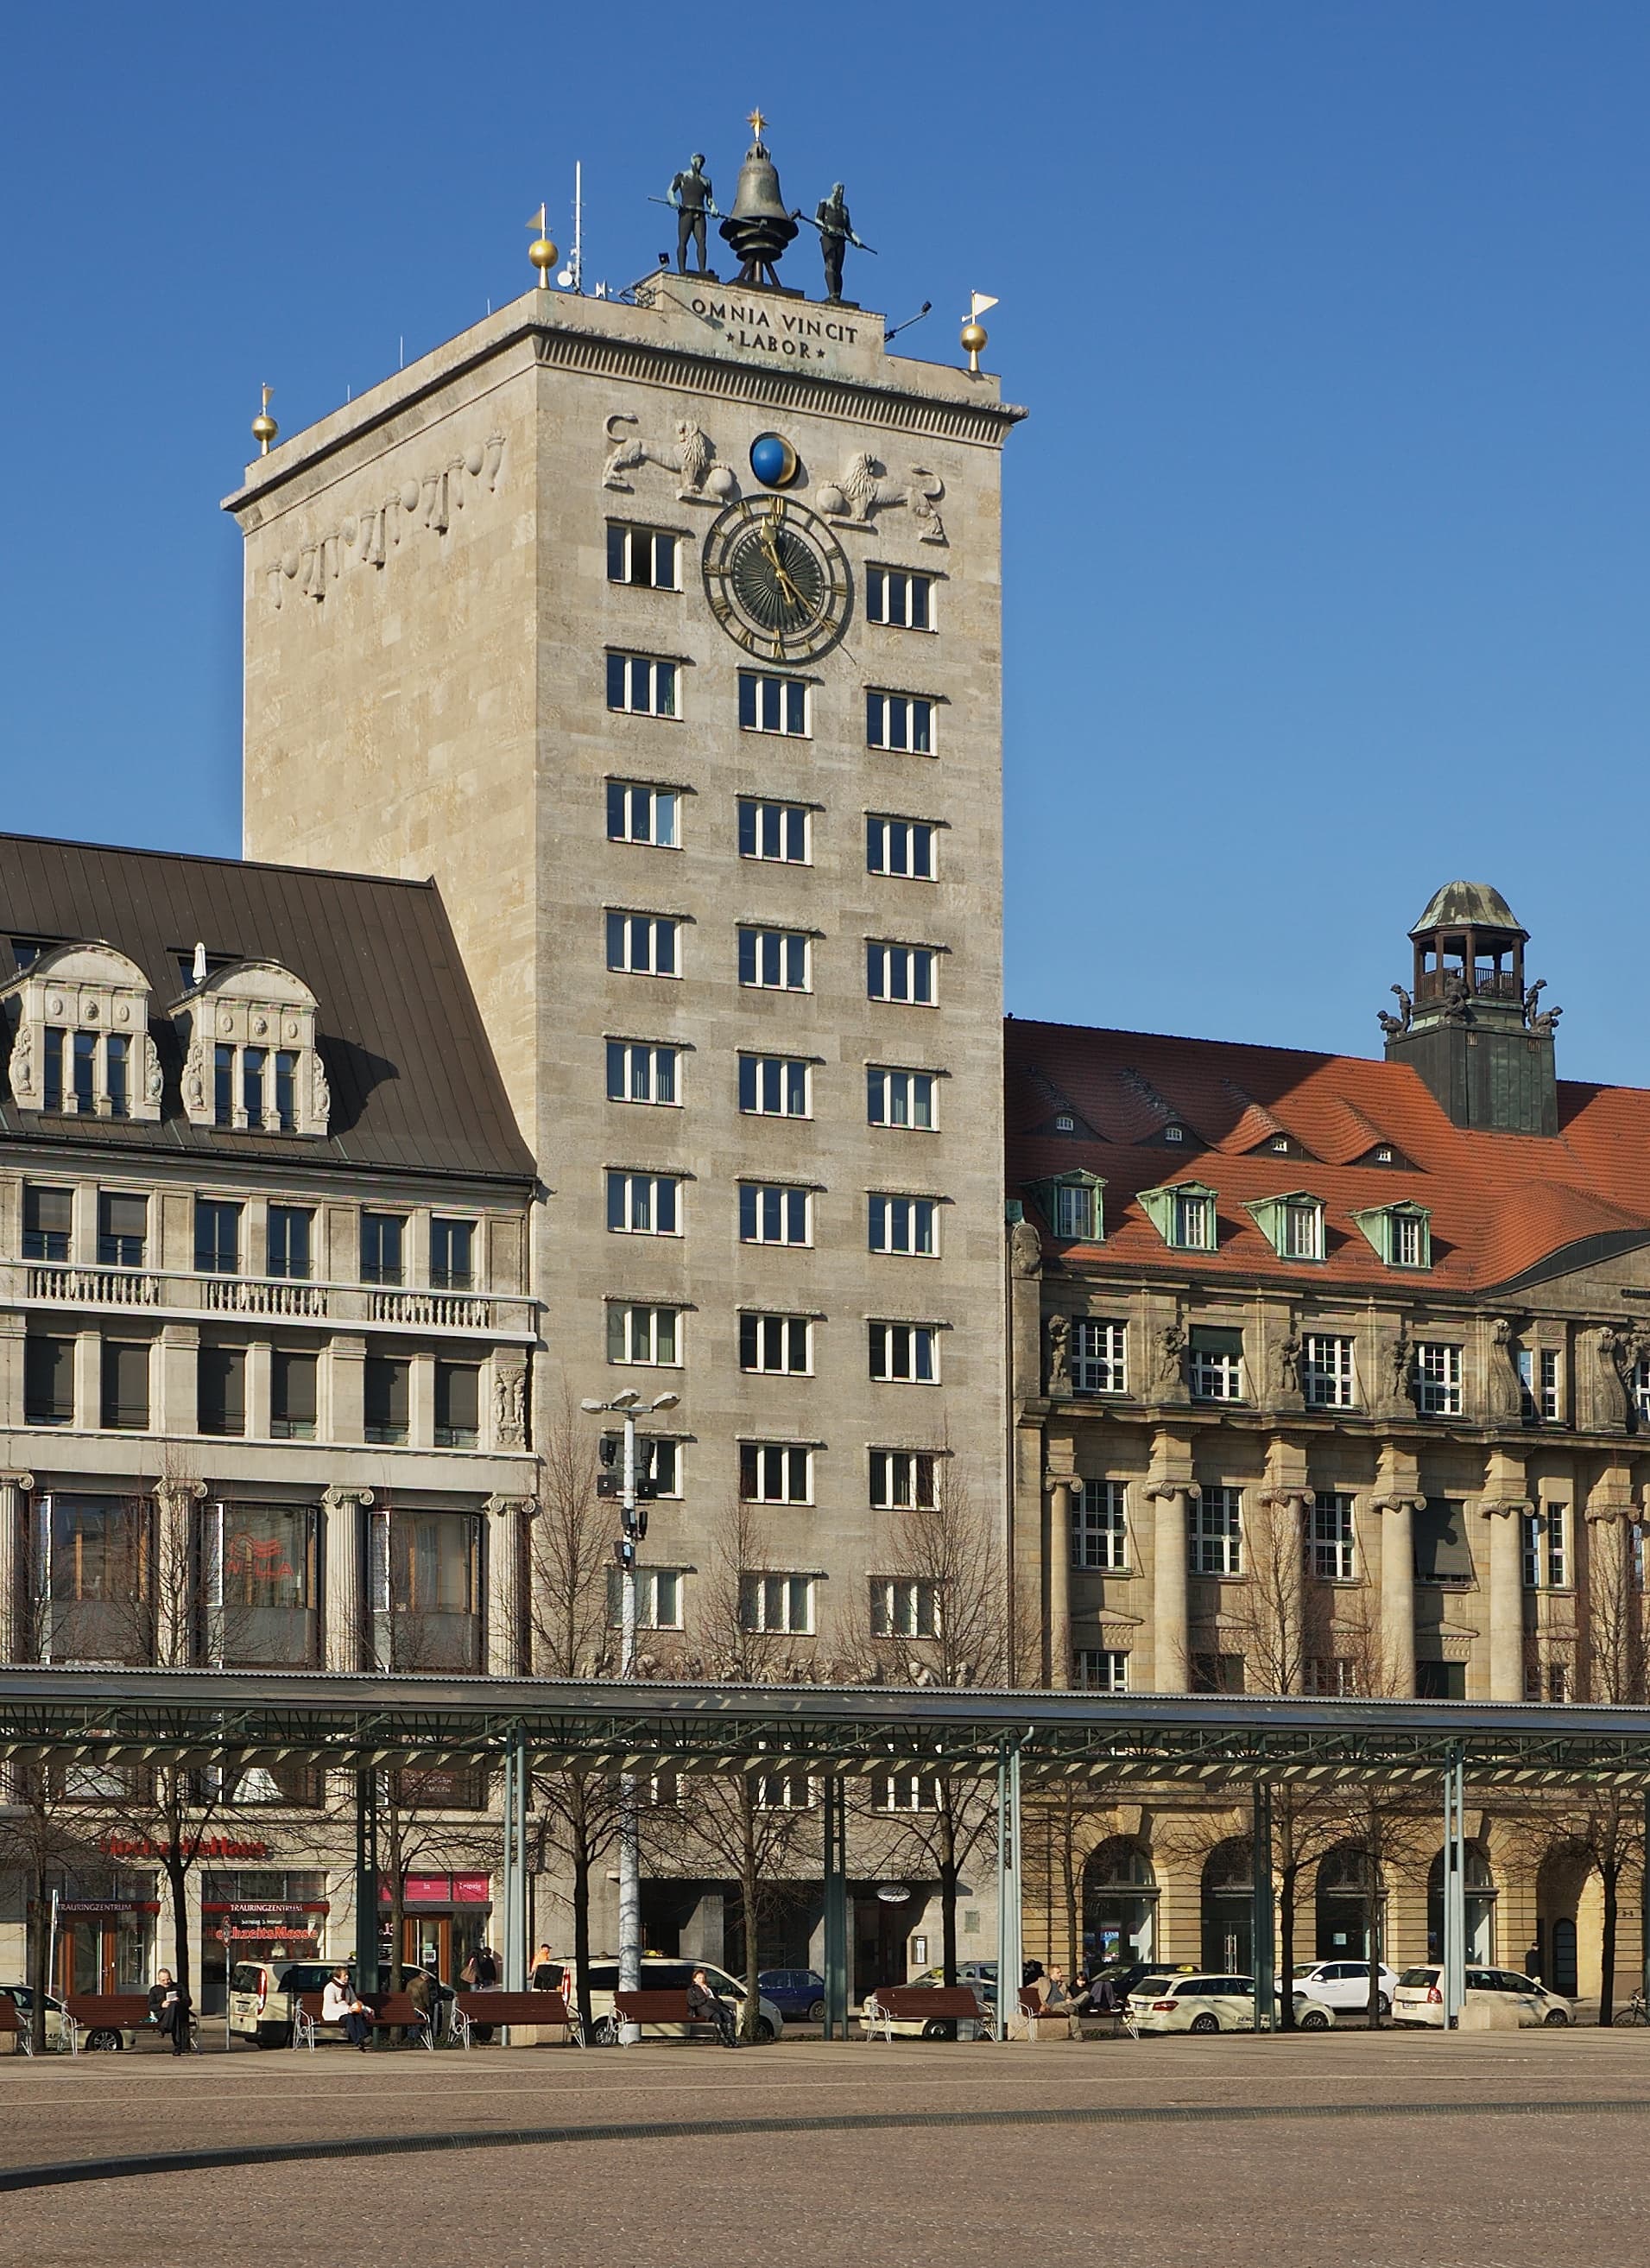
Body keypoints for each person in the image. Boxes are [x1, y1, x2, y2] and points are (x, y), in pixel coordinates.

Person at [323, 1966, 371, 2051]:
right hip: (333, 2013)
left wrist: (364, 2008)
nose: (347, 1977)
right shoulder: (330, 1987)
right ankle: (358, 2041)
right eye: (345, 1975)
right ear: (338, 1976)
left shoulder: (348, 1987)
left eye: (347, 1975)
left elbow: (354, 2001)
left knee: (357, 2015)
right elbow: (331, 2005)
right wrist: (348, 2009)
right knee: (350, 2018)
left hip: (347, 2011)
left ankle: (364, 2036)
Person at [686, 1965, 736, 2047]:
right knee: (717, 2016)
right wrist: (704, 1999)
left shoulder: (709, 1988)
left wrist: (716, 2000)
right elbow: (692, 2003)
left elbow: (718, 1999)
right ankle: (725, 2040)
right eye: (699, 1978)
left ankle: (733, 2039)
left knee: (728, 2015)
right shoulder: (692, 1989)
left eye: (703, 1978)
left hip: (716, 2006)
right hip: (704, 2008)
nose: (701, 1980)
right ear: (694, 1979)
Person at [149, 1967, 193, 2056]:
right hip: (163, 2014)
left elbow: (188, 2002)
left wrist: (179, 2001)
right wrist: (161, 2005)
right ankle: (178, 2047)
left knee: (174, 2006)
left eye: (168, 1979)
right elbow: (151, 2006)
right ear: (159, 1980)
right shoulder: (154, 1990)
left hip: (178, 2013)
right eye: (163, 1980)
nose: (166, 1982)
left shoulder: (179, 1987)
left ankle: (164, 2028)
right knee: (174, 2016)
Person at [404, 1964, 433, 2045]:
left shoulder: (410, 1982)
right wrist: (427, 2006)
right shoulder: (423, 1984)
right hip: (418, 2007)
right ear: (425, 1978)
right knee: (417, 2023)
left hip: (409, 2006)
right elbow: (426, 1997)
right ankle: (415, 2039)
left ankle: (411, 2039)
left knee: (411, 2024)